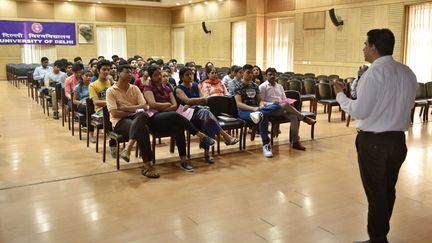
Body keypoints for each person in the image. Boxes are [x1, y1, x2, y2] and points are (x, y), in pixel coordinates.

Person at [333, 29, 417, 243]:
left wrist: (340, 95)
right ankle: (381, 235)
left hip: (374, 143)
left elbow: (360, 111)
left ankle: (378, 238)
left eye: (365, 44)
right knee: (388, 189)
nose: (363, 48)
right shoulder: (407, 72)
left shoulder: (374, 73)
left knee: (376, 193)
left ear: (373, 47)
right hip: (397, 141)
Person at [143, 66, 215, 172]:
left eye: (160, 74)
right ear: (151, 77)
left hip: (168, 117)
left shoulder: (167, 88)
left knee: (179, 127)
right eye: (155, 75)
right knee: (175, 115)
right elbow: (153, 105)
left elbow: (175, 105)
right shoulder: (147, 89)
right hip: (155, 119)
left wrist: (164, 106)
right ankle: (201, 136)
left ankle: (183, 161)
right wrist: (167, 105)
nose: (159, 77)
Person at [175, 67, 239, 163]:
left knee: (207, 120)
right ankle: (224, 137)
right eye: (187, 75)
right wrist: (195, 101)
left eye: (191, 74)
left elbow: (205, 99)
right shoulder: (178, 89)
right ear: (181, 77)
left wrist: (192, 102)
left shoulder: (196, 85)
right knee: (206, 114)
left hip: (199, 112)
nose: (190, 76)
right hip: (186, 116)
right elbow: (187, 100)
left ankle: (209, 150)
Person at [106, 65, 159, 178]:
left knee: (143, 114)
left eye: (131, 72)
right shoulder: (111, 91)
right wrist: (134, 110)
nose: (130, 74)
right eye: (127, 72)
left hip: (136, 118)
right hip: (120, 122)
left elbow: (144, 106)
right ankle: (147, 165)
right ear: (119, 73)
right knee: (143, 129)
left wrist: (124, 108)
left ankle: (128, 148)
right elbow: (114, 113)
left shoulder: (134, 88)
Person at [259, 67, 316, 150]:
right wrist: (273, 103)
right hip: (270, 110)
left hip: (281, 108)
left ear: (276, 76)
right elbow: (261, 102)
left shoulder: (280, 86)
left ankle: (295, 142)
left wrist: (289, 102)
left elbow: (284, 99)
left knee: (294, 117)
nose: (272, 76)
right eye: (270, 75)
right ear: (266, 76)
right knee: (285, 105)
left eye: (274, 75)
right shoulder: (262, 87)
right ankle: (304, 118)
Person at [235, 64, 282, 158]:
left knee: (277, 106)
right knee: (262, 115)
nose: (251, 75)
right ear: (242, 73)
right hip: (244, 111)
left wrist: (260, 105)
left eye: (251, 73)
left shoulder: (255, 85)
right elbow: (239, 104)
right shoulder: (238, 86)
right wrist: (253, 109)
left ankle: (258, 115)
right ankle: (266, 145)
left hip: (257, 109)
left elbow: (260, 100)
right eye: (248, 72)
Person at [72, 70, 96, 143]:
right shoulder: (78, 87)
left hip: (92, 103)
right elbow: (74, 101)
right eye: (86, 76)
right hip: (82, 105)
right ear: (82, 76)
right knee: (89, 112)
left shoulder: (93, 85)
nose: (89, 77)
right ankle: (91, 134)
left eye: (90, 76)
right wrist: (82, 102)